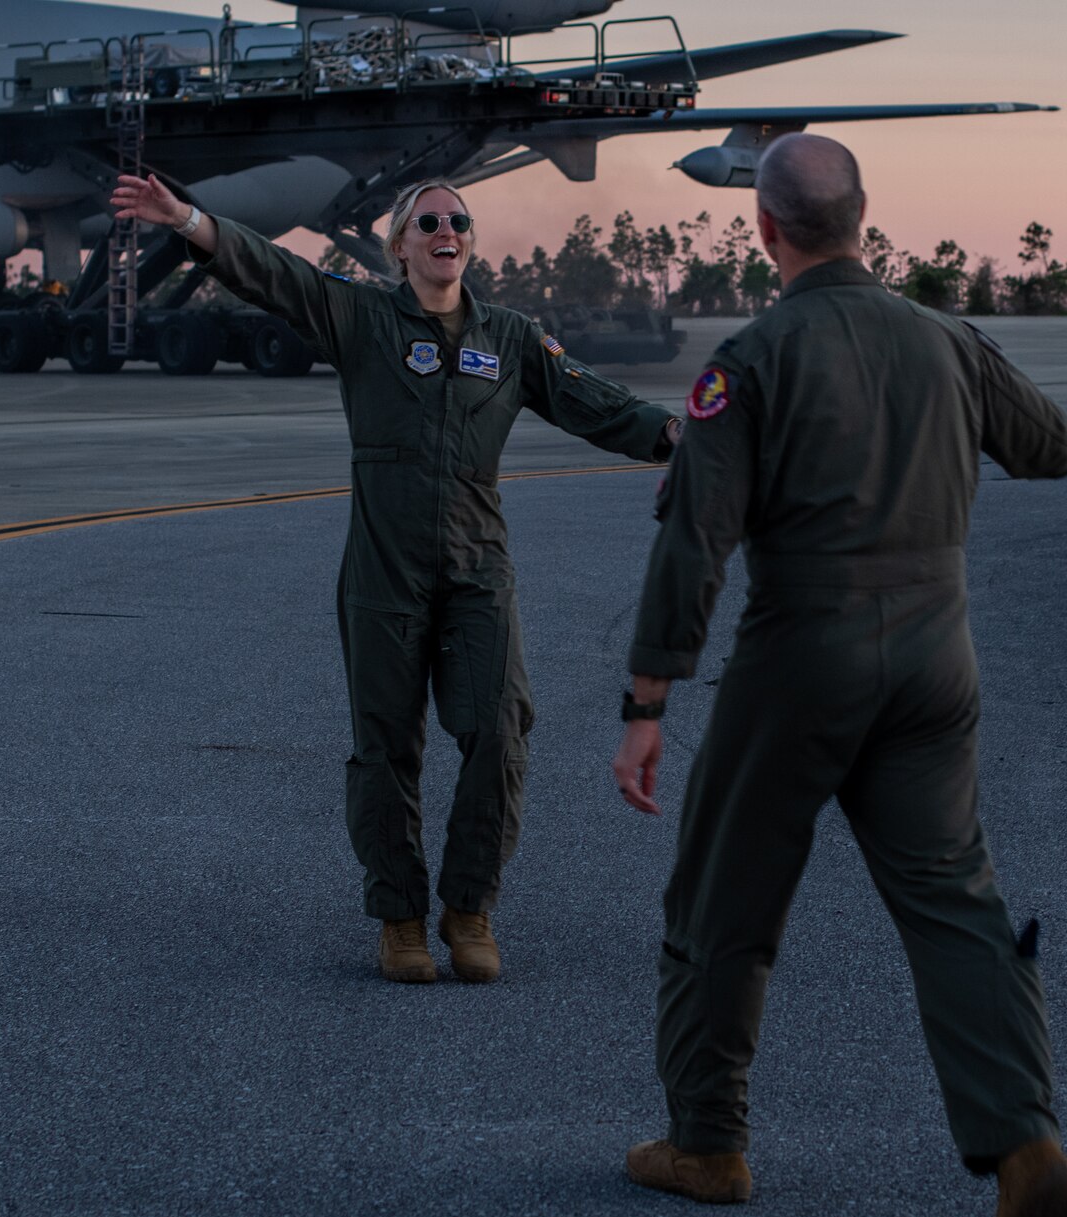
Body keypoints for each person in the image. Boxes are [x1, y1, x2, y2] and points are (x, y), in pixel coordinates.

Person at [609, 134, 1067, 1217]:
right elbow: (1049, 446)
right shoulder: (943, 339)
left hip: (802, 657)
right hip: (934, 659)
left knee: (722, 899)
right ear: (862, 217)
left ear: (763, 229)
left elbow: (695, 543)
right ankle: (1023, 1146)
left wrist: (645, 698)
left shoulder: (753, 357)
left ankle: (706, 1144)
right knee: (953, 901)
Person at [111, 173, 680, 985]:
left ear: (468, 242)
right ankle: (401, 918)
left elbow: (596, 402)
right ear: (401, 245)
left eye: (459, 220)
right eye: (429, 221)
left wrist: (676, 435)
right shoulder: (364, 318)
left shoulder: (511, 337)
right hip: (384, 572)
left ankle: (469, 905)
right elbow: (277, 274)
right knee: (386, 749)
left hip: (478, 569)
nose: (447, 230)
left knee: (499, 730)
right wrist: (189, 221)